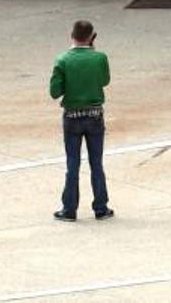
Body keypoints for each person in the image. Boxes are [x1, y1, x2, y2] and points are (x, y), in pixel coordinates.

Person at [49, 20, 114, 222]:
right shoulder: (100, 58)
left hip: (72, 116)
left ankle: (69, 208)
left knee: (73, 164)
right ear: (91, 37)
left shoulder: (62, 60)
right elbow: (105, 81)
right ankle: (101, 207)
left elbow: (54, 92)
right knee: (97, 163)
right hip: (94, 116)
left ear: (72, 35)